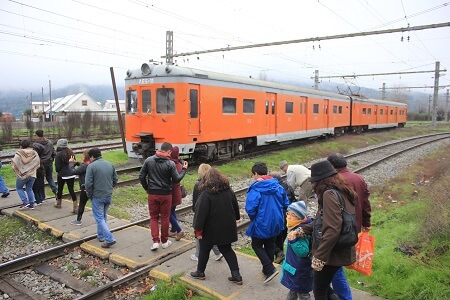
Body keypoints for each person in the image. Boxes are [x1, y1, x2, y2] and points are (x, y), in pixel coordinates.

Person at [289, 160, 357, 300]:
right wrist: (302, 230)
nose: (313, 186)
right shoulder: (343, 190)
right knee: (325, 287)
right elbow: (322, 221)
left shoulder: (329, 195)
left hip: (331, 253)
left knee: (319, 290)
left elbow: (332, 229)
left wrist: (319, 257)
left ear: (321, 181)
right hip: (340, 249)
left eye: (314, 182)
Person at [327, 153, 372, 300]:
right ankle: (330, 292)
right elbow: (365, 203)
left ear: (332, 167)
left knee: (335, 265)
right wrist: (366, 222)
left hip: (338, 230)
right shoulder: (358, 178)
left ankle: (343, 296)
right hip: (354, 228)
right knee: (336, 265)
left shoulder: (334, 181)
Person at [190, 168, 243, 285]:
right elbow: (236, 210)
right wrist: (236, 218)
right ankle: (236, 275)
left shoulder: (206, 194)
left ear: (206, 180)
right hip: (226, 228)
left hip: (210, 230)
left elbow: (200, 215)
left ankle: (200, 272)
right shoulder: (229, 191)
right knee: (227, 250)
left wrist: (198, 230)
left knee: (204, 250)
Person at [139, 142, 188, 251]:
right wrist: (184, 169)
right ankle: (164, 242)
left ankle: (155, 241)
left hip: (152, 193)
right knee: (165, 217)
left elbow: (141, 176)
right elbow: (176, 179)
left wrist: (147, 188)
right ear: (169, 151)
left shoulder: (149, 160)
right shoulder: (170, 163)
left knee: (153, 217)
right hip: (166, 194)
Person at [246, 162, 290, 284]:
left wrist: (255, 218)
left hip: (262, 221)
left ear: (255, 174)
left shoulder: (256, 188)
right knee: (270, 244)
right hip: (277, 221)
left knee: (256, 245)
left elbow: (251, 208)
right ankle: (267, 270)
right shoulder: (278, 186)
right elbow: (286, 203)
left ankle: (270, 269)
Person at [85, 148, 118, 248]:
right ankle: (101, 235)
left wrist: (90, 195)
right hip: (108, 195)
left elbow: (88, 183)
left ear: (92, 157)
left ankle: (109, 238)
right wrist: (109, 188)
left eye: (89, 157)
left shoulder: (91, 167)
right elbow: (115, 179)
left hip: (97, 196)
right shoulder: (109, 164)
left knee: (99, 218)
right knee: (103, 216)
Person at [280, 201, 313, 300]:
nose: (289, 217)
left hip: (300, 270)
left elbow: (303, 252)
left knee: (303, 293)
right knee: (293, 289)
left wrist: (293, 241)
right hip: (295, 267)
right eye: (288, 214)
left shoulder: (300, 231)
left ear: (299, 217)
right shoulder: (296, 226)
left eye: (292, 215)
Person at [190, 163, 223, 262]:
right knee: (208, 234)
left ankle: (198, 255)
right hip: (214, 213)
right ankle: (217, 253)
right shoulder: (217, 183)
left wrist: (195, 212)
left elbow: (195, 202)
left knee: (199, 233)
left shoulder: (198, 184)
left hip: (202, 213)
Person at [269, 170, 297, 264]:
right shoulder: (288, 186)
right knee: (281, 238)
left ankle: (278, 254)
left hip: (278, 217)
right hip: (287, 217)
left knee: (270, 239)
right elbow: (294, 200)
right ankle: (280, 257)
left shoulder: (274, 188)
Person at [11, 139, 40, 209]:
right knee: (29, 188)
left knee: (19, 188)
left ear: (21, 145)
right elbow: (38, 163)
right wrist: (32, 169)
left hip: (22, 175)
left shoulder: (19, 153)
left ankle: (25, 202)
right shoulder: (34, 153)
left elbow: (14, 163)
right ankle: (32, 204)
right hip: (32, 174)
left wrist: (17, 170)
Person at [68, 150, 91, 226]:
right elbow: (82, 166)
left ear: (85, 157)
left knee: (82, 204)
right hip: (92, 187)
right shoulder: (91, 164)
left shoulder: (84, 166)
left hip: (85, 188)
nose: (82, 157)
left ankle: (78, 220)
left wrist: (71, 163)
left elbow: (73, 171)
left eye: (83, 156)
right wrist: (77, 163)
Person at [54, 139, 78, 212]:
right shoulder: (71, 152)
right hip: (71, 173)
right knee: (71, 190)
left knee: (60, 189)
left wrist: (59, 171)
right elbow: (74, 162)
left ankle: (59, 203)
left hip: (62, 175)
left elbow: (57, 168)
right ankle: (75, 207)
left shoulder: (58, 154)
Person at [33, 130, 58, 195]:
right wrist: (51, 159)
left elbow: (35, 156)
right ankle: (55, 190)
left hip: (41, 165)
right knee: (50, 178)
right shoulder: (49, 142)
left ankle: (42, 196)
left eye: (35, 135)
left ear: (37, 136)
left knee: (40, 180)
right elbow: (54, 152)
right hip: (49, 163)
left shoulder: (36, 145)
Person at [168, 146, 185, 241]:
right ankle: (173, 229)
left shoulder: (171, 164)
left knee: (167, 212)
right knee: (172, 210)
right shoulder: (179, 164)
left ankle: (179, 230)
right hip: (177, 191)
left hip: (171, 192)